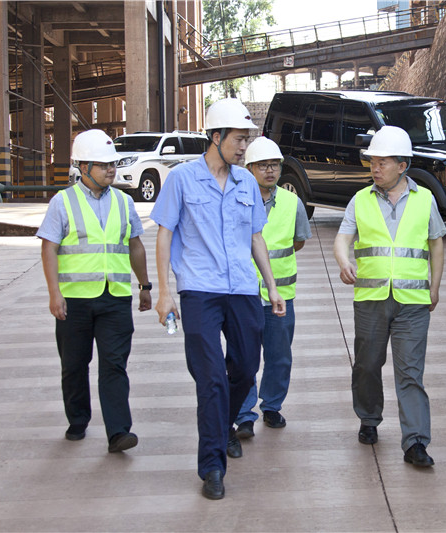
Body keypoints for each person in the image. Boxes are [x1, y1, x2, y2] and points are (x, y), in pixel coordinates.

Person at [151, 98, 285, 500]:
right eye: (238, 139)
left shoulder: (246, 183)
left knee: (245, 368)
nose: (244, 147)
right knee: (210, 378)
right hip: (199, 290)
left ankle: (223, 425)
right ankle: (212, 466)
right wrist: (164, 292)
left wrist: (272, 286)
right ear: (215, 136)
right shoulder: (182, 179)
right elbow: (164, 234)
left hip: (242, 288)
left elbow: (256, 237)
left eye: (247, 139)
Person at [333, 125, 446, 468]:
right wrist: (344, 261)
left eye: (382, 162)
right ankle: (369, 417)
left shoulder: (425, 199)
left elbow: (436, 244)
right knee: (367, 364)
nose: (375, 167)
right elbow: (343, 238)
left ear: (402, 165)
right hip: (371, 298)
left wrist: (435, 286)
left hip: (413, 301)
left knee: (410, 371)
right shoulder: (360, 200)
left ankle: (416, 442)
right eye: (372, 161)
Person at [37, 129, 151, 453]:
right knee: (74, 365)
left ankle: (118, 432)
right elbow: (49, 248)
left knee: (114, 364)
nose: (111, 170)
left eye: (112, 164)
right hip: (74, 300)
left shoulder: (124, 202)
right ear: (83, 167)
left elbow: (135, 245)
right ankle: (77, 419)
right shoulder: (62, 202)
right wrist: (54, 293)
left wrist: (145, 285)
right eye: (103, 165)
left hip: (115, 297)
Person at [234, 137, 312, 439]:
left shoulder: (292, 202)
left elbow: (298, 241)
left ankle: (272, 406)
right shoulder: (237, 200)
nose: (270, 170)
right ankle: (244, 415)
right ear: (249, 169)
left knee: (279, 357)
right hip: (244, 295)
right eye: (262, 165)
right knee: (244, 358)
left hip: (282, 296)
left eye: (274, 165)